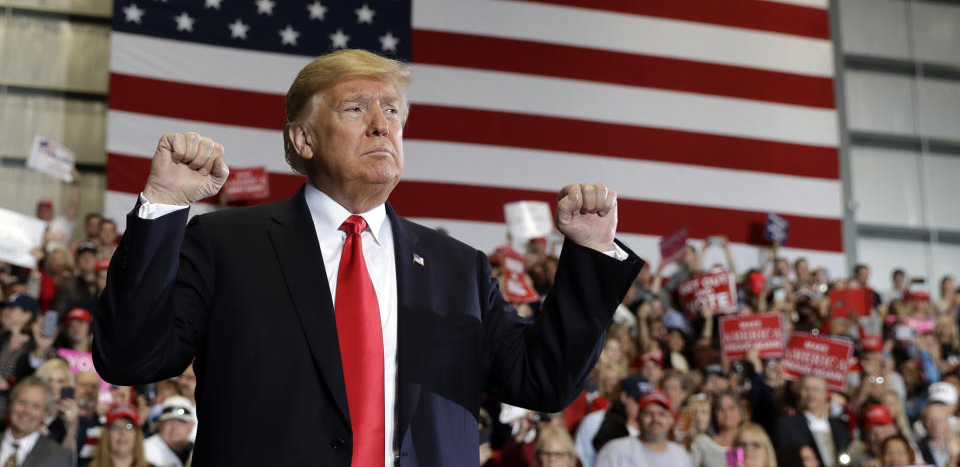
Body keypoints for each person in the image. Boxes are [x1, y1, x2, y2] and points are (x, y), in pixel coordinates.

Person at [93, 49, 644, 466]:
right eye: (356, 108)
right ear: (303, 139)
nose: (383, 124)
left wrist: (590, 252)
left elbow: (541, 381)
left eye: (393, 110)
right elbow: (130, 358)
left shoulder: (459, 268)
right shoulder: (224, 244)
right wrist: (164, 205)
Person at [595, 391, 693, 467]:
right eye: (649, 413)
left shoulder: (680, 455)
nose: (656, 419)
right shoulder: (615, 450)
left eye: (662, 414)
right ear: (638, 418)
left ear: (671, 419)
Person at [775, 375, 850, 467]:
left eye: (816, 389)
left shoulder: (840, 429)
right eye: (806, 389)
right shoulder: (786, 425)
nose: (811, 394)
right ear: (799, 394)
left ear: (825, 394)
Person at [0, 376, 73, 467]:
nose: (27, 411)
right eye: (22, 402)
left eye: (36, 406)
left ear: (46, 413)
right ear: (10, 404)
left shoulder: (60, 458)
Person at [691, 390, 746, 467]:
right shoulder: (702, 442)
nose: (726, 413)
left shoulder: (751, 443)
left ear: (741, 412)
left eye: (731, 408)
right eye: (721, 409)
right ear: (714, 414)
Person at [143, 396, 195, 467]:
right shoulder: (147, 450)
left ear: (191, 426)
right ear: (159, 424)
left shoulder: (198, 449)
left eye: (181, 422)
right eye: (168, 422)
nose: (174, 427)